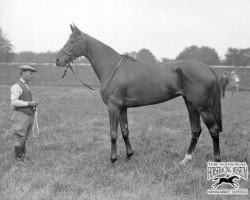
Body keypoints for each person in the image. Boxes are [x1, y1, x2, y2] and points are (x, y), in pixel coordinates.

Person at [10, 65, 38, 161]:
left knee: (24, 137)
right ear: (23, 73)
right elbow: (13, 101)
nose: (32, 75)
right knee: (20, 137)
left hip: (27, 116)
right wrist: (29, 103)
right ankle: (18, 159)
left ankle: (22, 158)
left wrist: (32, 105)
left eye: (32, 73)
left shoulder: (26, 85)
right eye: (30, 73)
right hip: (20, 115)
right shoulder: (16, 86)